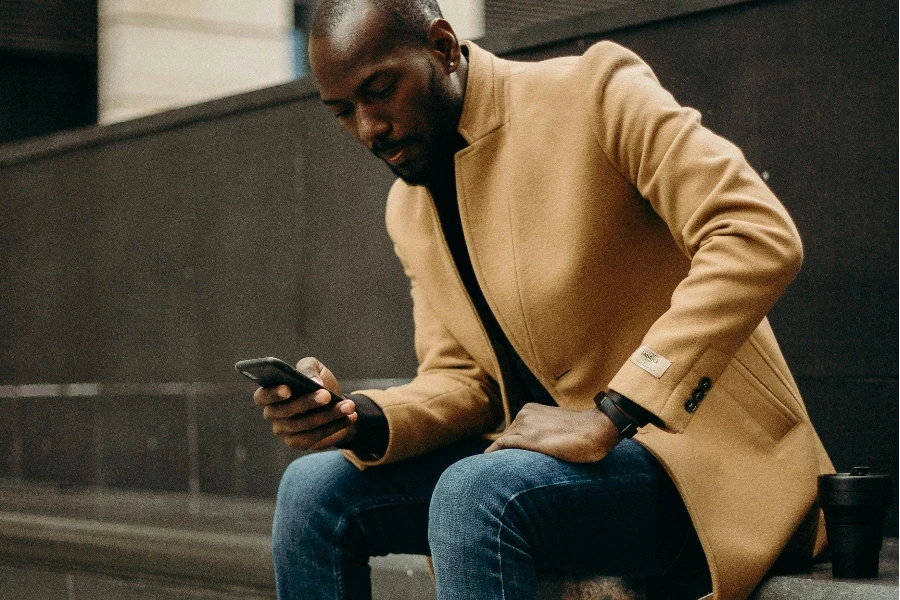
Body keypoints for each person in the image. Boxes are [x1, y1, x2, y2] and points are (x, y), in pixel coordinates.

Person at [253, 1, 835, 599]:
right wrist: (359, 419)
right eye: (343, 111)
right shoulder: (410, 207)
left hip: (695, 462)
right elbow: (464, 378)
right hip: (544, 471)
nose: (369, 127)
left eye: (381, 90)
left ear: (444, 47)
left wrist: (614, 413)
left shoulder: (594, 92)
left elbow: (755, 233)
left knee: (475, 494)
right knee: (313, 491)